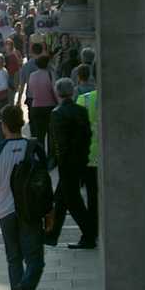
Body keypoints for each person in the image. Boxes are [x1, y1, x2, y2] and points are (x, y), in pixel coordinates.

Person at [0, 105, 48, 290]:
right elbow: (45, 183)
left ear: (3, 125)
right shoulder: (35, 147)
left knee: (14, 260)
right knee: (36, 260)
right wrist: (50, 210)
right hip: (31, 211)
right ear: (22, 122)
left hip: (6, 212)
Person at [45, 78, 96, 249]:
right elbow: (88, 135)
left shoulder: (57, 113)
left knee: (73, 202)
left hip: (67, 164)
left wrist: (57, 161)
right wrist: (83, 156)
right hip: (81, 160)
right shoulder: (81, 111)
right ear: (72, 92)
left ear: (58, 93)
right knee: (60, 198)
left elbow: (59, 143)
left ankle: (89, 234)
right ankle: (52, 235)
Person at [76, 88, 99, 248]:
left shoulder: (84, 100)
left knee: (92, 197)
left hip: (89, 156)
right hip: (110, 156)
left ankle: (93, 231)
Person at [27, 54, 58, 150]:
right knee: (51, 134)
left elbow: (31, 91)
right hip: (50, 106)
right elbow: (55, 89)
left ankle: (40, 157)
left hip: (36, 107)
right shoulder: (50, 74)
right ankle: (51, 157)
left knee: (39, 135)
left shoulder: (32, 76)